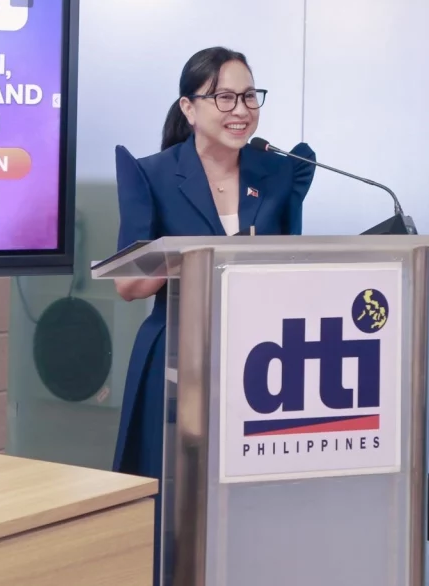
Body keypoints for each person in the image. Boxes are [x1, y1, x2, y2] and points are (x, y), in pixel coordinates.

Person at [112, 46, 316, 583]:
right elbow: (129, 285)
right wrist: (196, 256)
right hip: (177, 356)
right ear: (189, 107)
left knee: (252, 510)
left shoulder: (280, 171)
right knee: (173, 509)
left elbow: (289, 263)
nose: (241, 108)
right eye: (225, 96)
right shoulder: (151, 174)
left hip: (264, 363)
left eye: (250, 95)